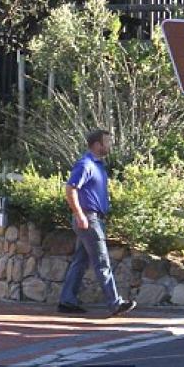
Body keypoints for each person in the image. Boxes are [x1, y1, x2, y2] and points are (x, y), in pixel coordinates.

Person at [58, 129, 136, 317]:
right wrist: (79, 215)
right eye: (107, 142)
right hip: (89, 219)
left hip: (94, 219)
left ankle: (67, 301)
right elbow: (70, 189)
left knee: (80, 261)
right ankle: (115, 303)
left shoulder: (98, 166)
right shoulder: (85, 165)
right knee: (102, 261)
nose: (110, 145)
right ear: (96, 145)